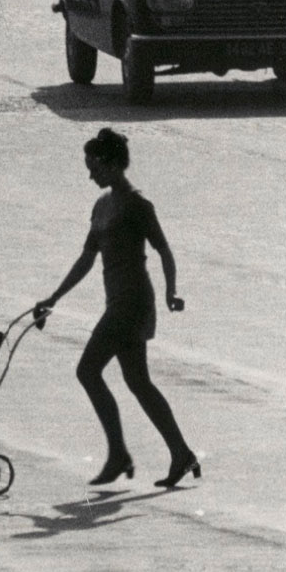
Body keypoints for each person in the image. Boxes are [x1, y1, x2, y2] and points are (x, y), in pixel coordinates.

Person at [34, 129, 198, 489]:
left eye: (94, 167)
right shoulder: (101, 206)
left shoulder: (138, 206)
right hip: (119, 302)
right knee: (139, 382)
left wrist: (172, 292)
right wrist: (53, 298)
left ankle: (119, 453)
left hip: (133, 303)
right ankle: (180, 452)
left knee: (88, 370)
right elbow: (87, 259)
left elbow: (163, 251)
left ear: (111, 164)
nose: (90, 174)